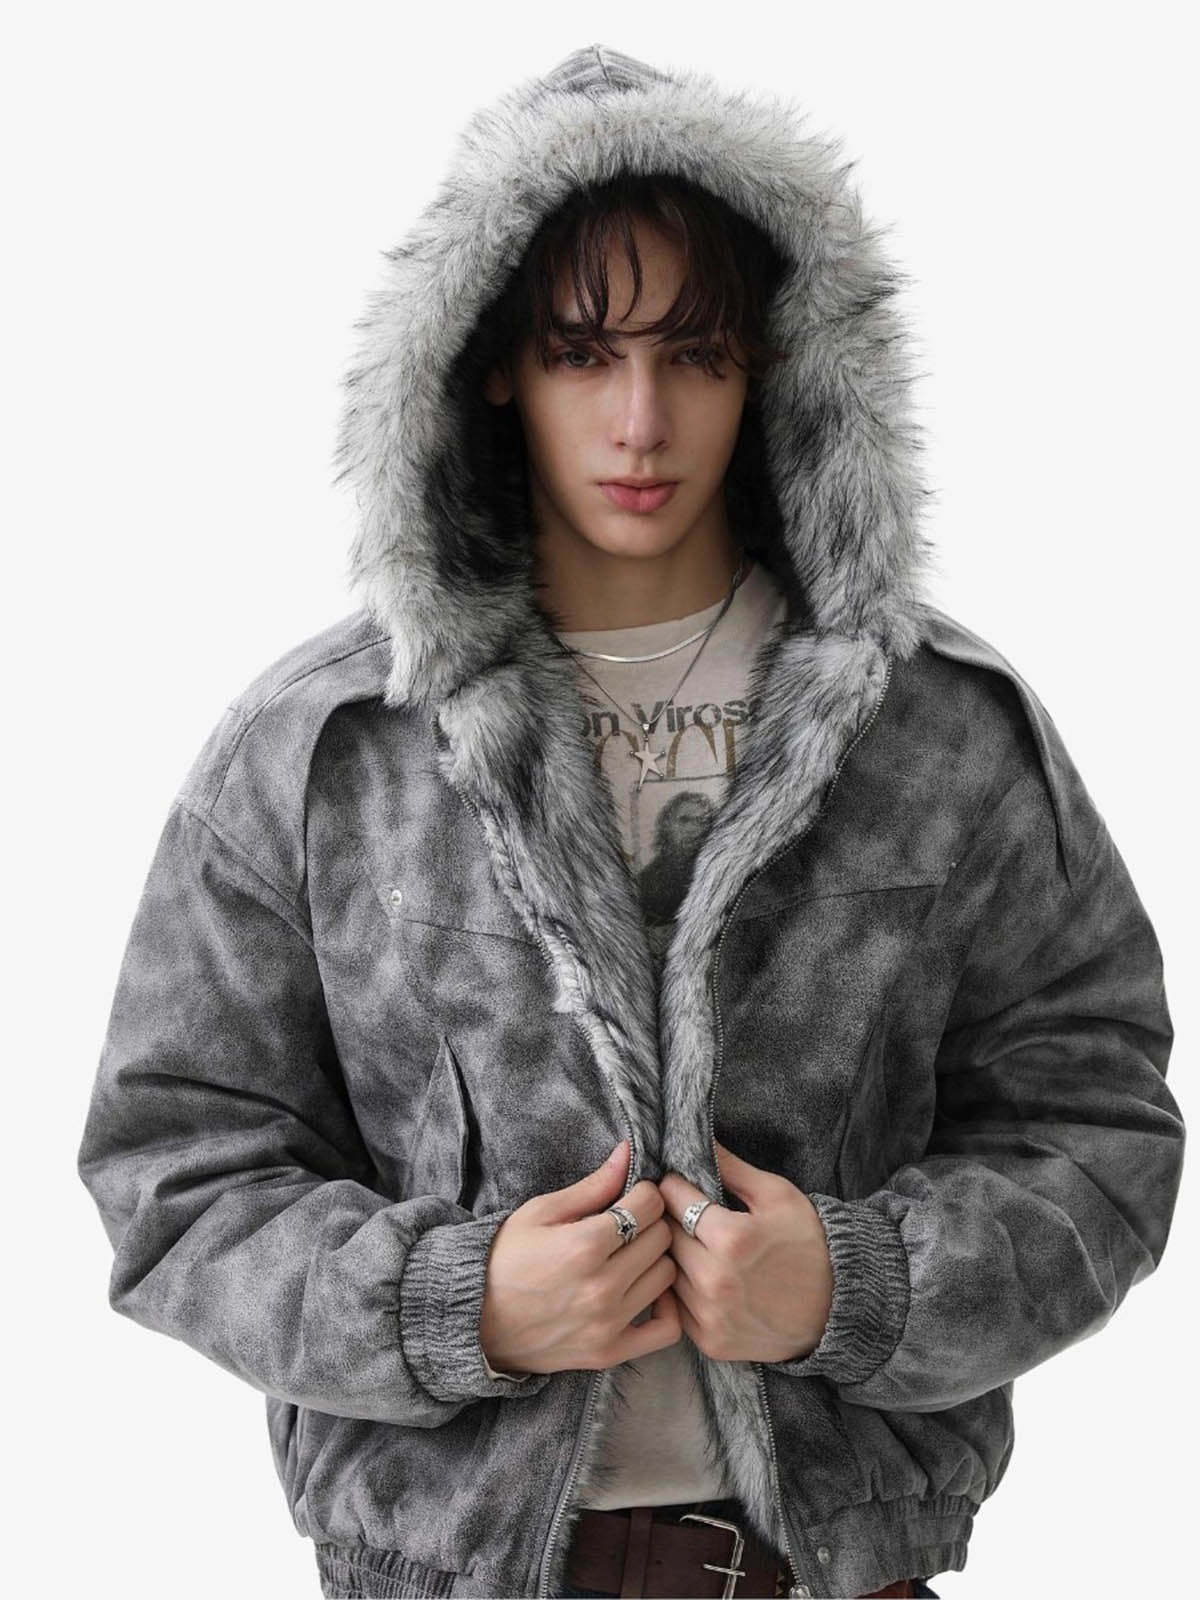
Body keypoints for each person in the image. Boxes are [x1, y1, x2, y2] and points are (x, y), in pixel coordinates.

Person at [75, 42, 1183, 1600]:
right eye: (585, 353)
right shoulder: (327, 748)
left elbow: (1101, 1136)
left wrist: (854, 1286)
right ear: (493, 366)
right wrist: (456, 1305)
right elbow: (175, 1172)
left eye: (696, 355)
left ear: (774, 365)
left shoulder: (938, 731)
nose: (642, 421)